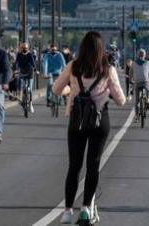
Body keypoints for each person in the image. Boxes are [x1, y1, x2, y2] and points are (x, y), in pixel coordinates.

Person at [53, 31, 126, 225]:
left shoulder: (73, 66)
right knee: (93, 165)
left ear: (82, 48)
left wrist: (71, 89)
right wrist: (106, 92)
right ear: (101, 49)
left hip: (77, 121)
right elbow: (121, 100)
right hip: (99, 121)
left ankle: (67, 211)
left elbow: (56, 89)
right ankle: (86, 208)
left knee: (74, 166)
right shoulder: (107, 70)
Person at [15, 43, 37, 113]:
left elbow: (32, 62)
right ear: (21, 48)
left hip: (30, 72)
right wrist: (16, 69)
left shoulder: (30, 54)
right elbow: (17, 63)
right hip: (22, 71)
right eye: (23, 48)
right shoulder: (19, 54)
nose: (24, 49)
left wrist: (35, 69)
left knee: (30, 89)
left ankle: (30, 104)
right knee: (22, 86)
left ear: (28, 48)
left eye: (26, 48)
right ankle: (22, 101)